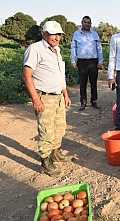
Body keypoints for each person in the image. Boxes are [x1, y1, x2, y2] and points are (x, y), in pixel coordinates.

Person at [22, 21, 73, 177]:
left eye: (59, 34)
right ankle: (46, 161)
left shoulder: (57, 50)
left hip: (58, 96)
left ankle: (56, 153)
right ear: (43, 33)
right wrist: (36, 100)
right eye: (53, 34)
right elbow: (27, 75)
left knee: (59, 128)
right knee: (46, 131)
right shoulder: (35, 49)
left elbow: (59, 75)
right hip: (45, 97)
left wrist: (65, 94)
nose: (56, 37)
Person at [71, 15, 103, 111]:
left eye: (89, 22)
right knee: (82, 83)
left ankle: (94, 101)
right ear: (82, 23)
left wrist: (100, 61)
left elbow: (99, 48)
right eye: (85, 22)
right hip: (82, 62)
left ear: (91, 24)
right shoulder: (76, 34)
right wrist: (73, 60)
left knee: (93, 82)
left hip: (93, 61)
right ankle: (83, 102)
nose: (87, 24)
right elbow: (73, 48)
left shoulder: (95, 34)